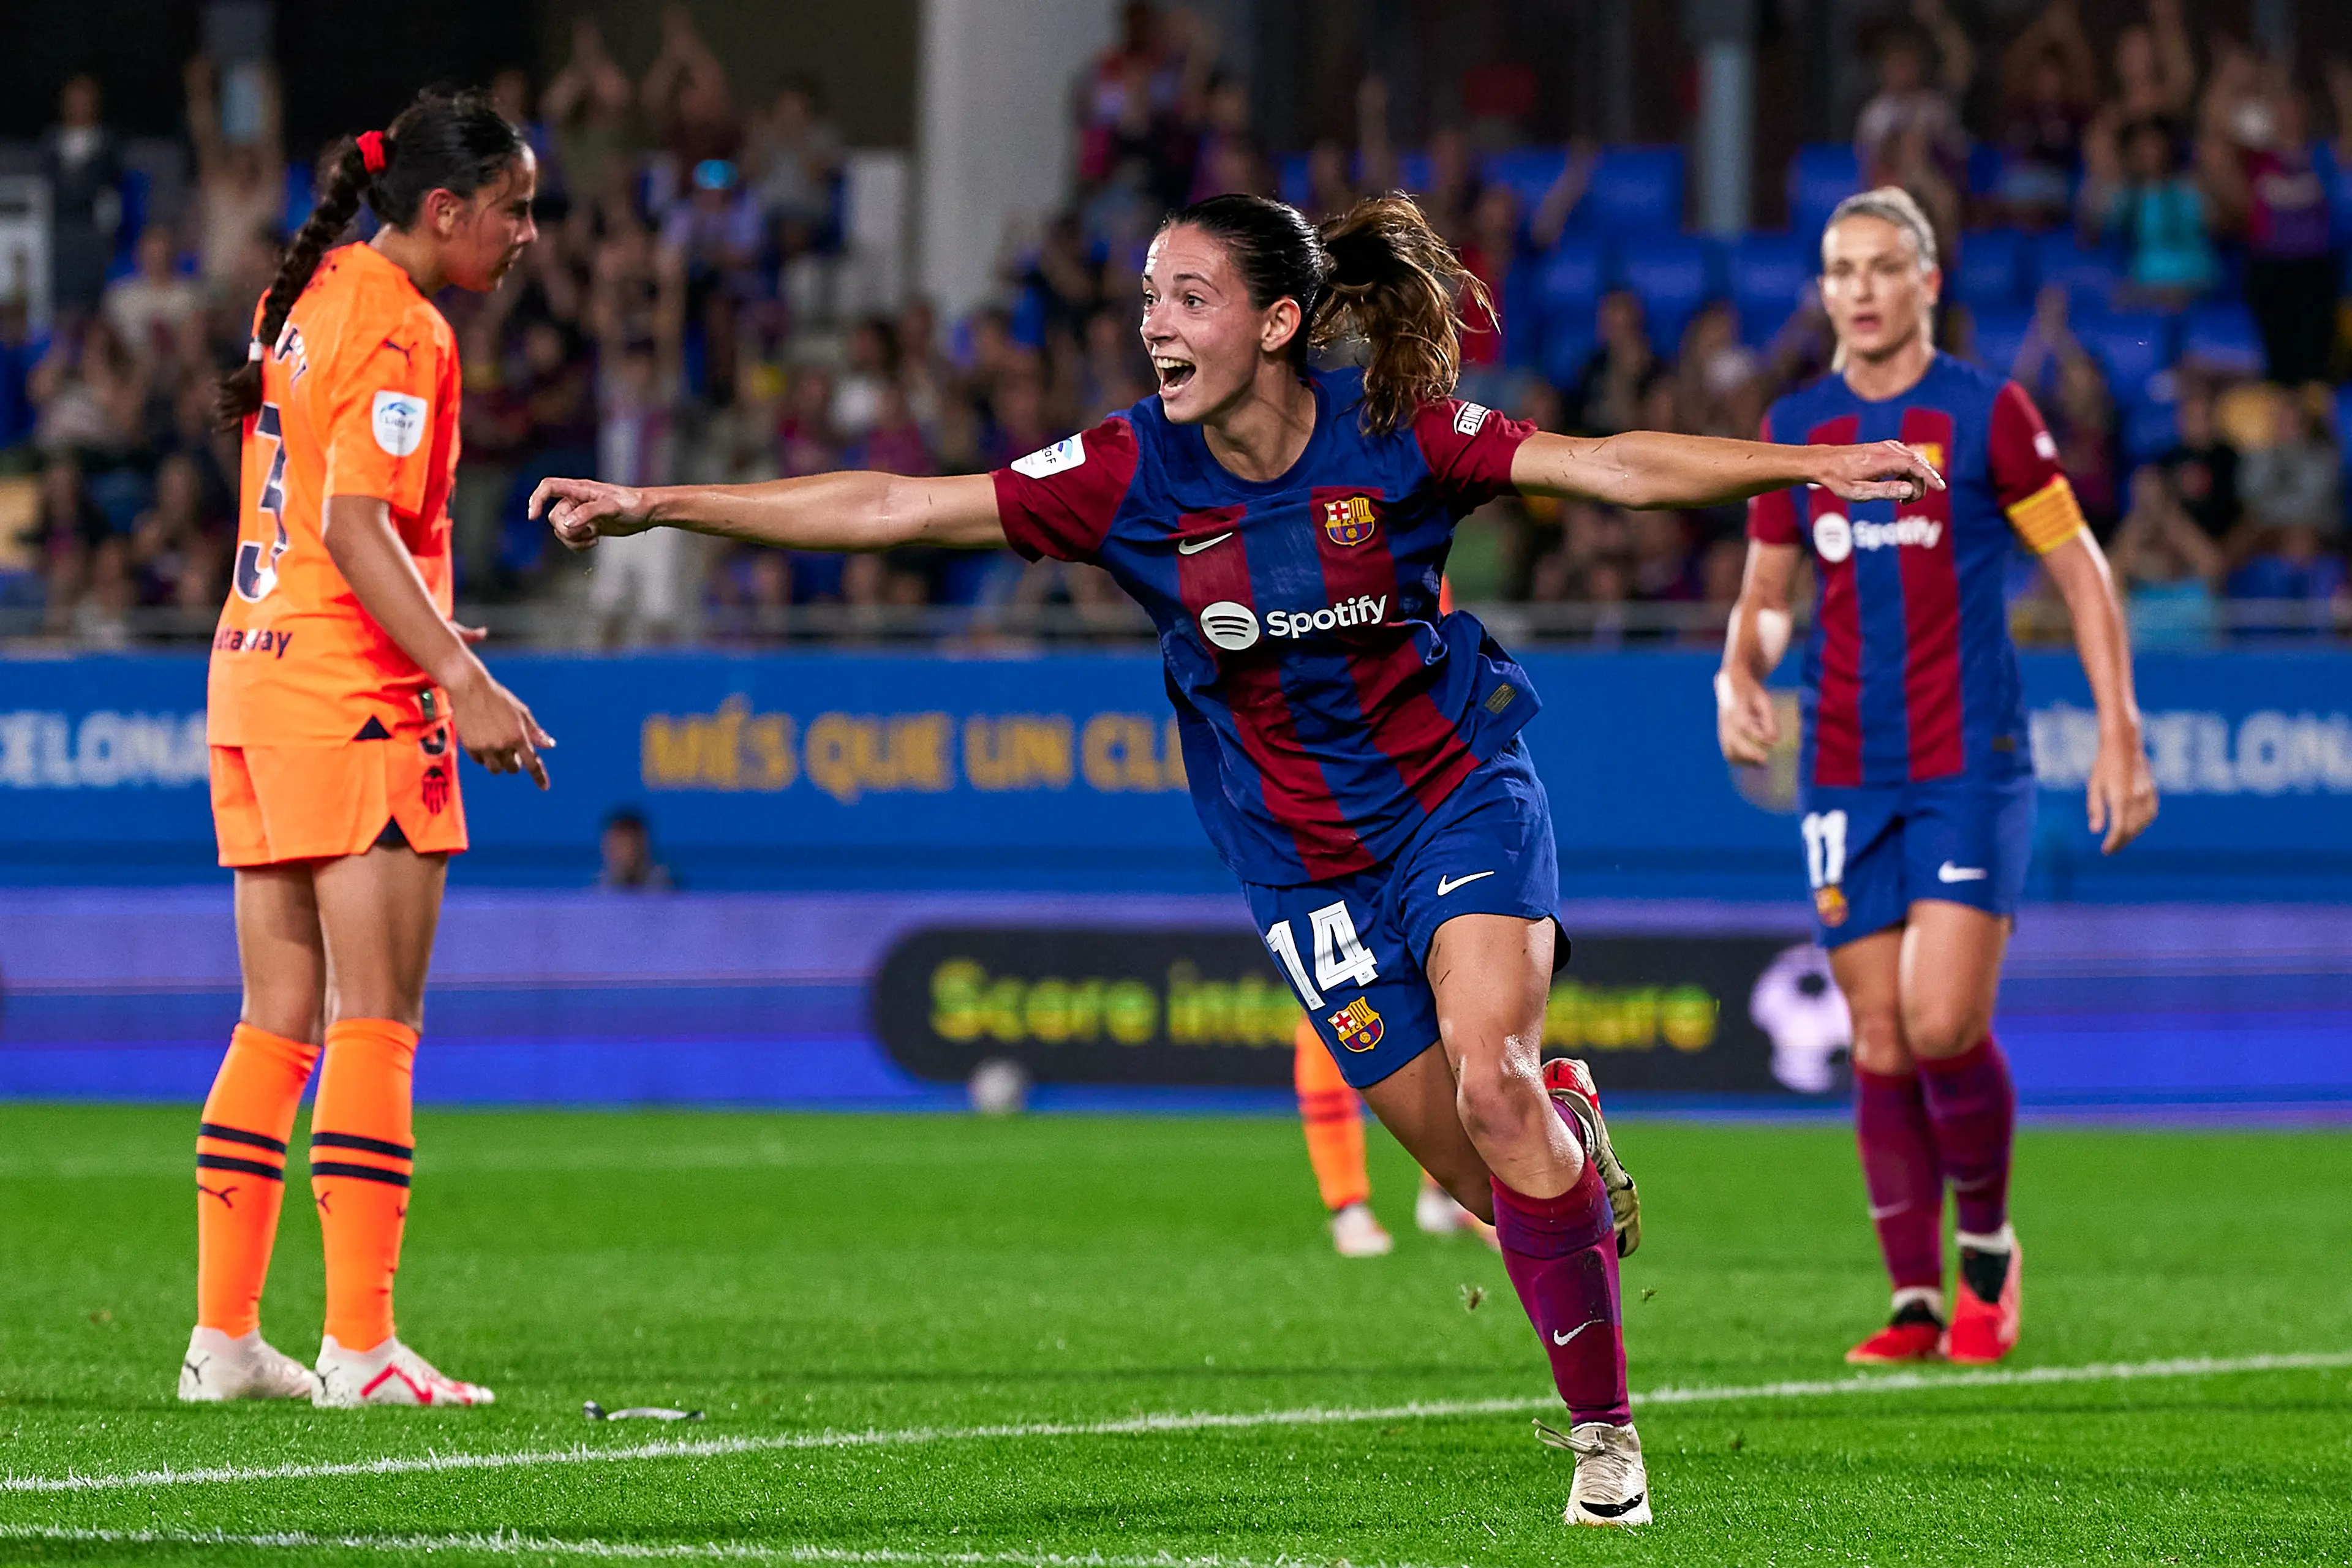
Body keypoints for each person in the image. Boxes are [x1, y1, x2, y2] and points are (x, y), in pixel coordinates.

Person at [533, 190, 1936, 1527]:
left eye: (1188, 297)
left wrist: (1806, 466)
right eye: (1149, 297)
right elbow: (900, 508)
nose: (1154, 322)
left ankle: (1606, 1438)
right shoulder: (1127, 471)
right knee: (1486, 1175)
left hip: (1456, 794)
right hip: (1300, 864)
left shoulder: (1395, 433)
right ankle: (1561, 1130)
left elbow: (1607, 466)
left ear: (1274, 323)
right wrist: (664, 502)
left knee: (1495, 1084)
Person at [1718, 189, 2157, 1368]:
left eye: (1881, 267)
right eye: (1839, 269)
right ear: (1823, 291)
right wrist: (1739, 670)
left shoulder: (1986, 412)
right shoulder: (1798, 428)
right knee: (1876, 1037)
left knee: (1943, 1020)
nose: (1858, 289)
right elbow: (1769, 598)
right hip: (1843, 768)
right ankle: (1915, 1299)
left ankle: (1989, 1255)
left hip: (1970, 760)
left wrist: (2120, 728)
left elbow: (2082, 571)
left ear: (1926, 283)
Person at [182, 88, 551, 1411]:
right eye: (513, 209)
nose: (528, 234)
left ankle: (225, 1339)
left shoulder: (310, 289)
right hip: (357, 699)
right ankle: (361, 1346)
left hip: (255, 675)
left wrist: (431, 617)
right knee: (376, 1020)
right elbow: (354, 522)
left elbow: (334, 523)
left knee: (274, 1021)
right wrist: (463, 676)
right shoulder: (401, 325)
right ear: (444, 210)